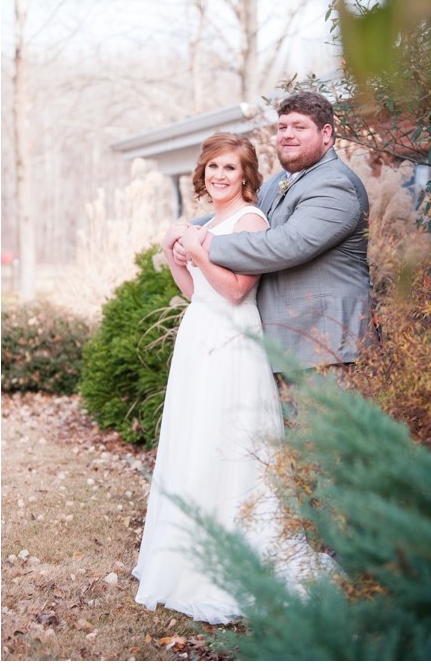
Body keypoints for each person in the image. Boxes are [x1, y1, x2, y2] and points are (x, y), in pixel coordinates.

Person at [134, 133, 317, 623]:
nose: (219, 175)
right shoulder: (210, 221)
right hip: (200, 337)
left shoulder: (250, 220)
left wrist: (197, 245)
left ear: (245, 176)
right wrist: (179, 258)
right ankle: (186, 551)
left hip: (233, 343)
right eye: (213, 167)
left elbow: (237, 291)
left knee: (225, 441)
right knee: (195, 439)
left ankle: (233, 559)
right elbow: (199, 292)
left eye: (230, 169)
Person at [177, 90, 374, 383]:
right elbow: (237, 215)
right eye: (282, 127)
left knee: (323, 430)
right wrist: (187, 231)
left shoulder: (335, 185)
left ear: (326, 134)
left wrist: (203, 244)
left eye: (299, 127)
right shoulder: (279, 182)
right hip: (289, 346)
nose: (287, 135)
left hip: (327, 346)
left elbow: (285, 245)